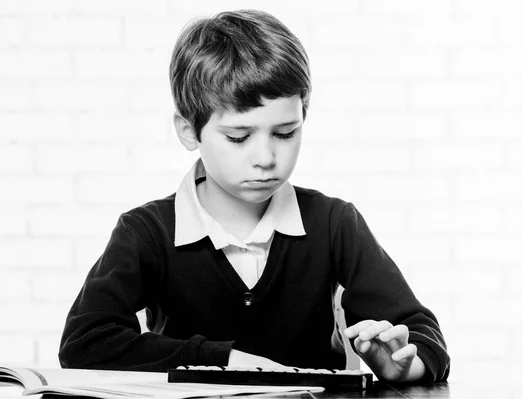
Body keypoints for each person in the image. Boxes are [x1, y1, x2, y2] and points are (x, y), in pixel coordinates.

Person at [59, 9, 450, 384]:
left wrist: (404, 365)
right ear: (188, 131)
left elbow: (422, 334)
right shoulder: (147, 232)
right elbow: (85, 341)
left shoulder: (332, 222)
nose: (265, 158)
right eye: (238, 137)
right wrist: (221, 361)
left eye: (285, 133)